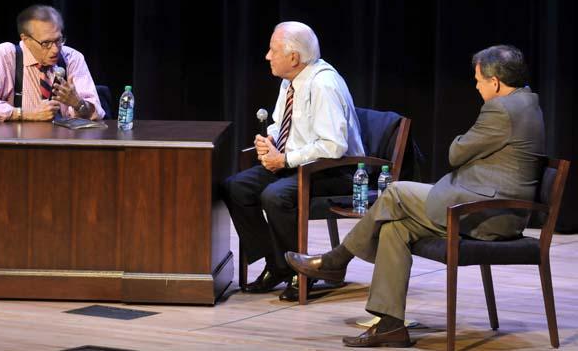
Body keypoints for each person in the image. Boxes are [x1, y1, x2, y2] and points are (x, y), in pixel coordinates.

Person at [285, 44, 546, 347]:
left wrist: (466, 146)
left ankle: (336, 260)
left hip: (487, 213)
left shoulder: (501, 109)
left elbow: (456, 151)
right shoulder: (527, 102)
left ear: (496, 82)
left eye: (478, 80)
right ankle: (390, 325)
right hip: (484, 204)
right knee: (397, 228)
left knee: (395, 192)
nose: (476, 86)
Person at [222, 21, 365, 301]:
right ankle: (277, 265)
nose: (267, 56)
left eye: (273, 50)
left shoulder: (323, 84)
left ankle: (303, 271)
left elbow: (333, 146)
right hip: (298, 163)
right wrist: (270, 141)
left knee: (275, 196)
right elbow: (281, 123)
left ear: (293, 58)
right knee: (235, 187)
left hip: (336, 170)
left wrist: (284, 159)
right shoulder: (290, 81)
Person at [0, 4, 104, 121]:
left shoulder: (72, 58)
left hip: (63, 142)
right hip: (19, 143)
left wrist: (78, 104)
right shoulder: (6, 55)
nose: (55, 49)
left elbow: (97, 113)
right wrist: (25, 114)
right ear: (25, 39)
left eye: (58, 40)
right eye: (46, 43)